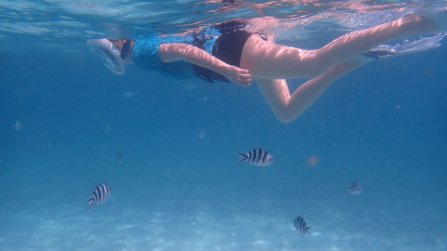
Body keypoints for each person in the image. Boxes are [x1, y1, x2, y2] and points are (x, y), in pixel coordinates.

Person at [88, 7, 446, 123]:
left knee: (313, 62)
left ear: (119, 50)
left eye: (112, 52)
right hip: (231, 53)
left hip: (232, 52)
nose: (115, 52)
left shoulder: (143, 51)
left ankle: (417, 23)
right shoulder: (140, 46)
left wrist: (227, 70)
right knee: (286, 112)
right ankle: (354, 62)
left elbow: (185, 51)